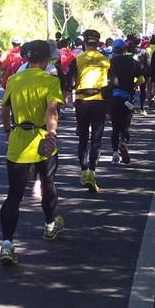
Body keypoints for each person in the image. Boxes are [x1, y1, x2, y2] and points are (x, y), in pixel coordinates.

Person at [0, 40, 64, 265]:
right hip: (42, 139)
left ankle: (7, 244)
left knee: (14, 195)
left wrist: (7, 130)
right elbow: (52, 110)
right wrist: (52, 133)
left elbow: (5, 108)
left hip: (18, 140)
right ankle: (49, 225)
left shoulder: (14, 80)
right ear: (46, 60)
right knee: (47, 184)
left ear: (27, 58)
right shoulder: (50, 81)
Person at [66, 29, 110, 192]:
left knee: (83, 138)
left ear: (84, 43)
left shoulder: (77, 59)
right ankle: (92, 172)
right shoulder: (105, 60)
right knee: (96, 139)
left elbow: (69, 81)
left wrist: (72, 87)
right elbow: (114, 82)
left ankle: (84, 172)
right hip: (99, 101)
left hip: (82, 102)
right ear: (98, 43)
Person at [108, 38, 143, 165]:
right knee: (125, 124)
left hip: (113, 98)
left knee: (115, 126)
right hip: (127, 98)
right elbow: (142, 79)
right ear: (125, 49)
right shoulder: (133, 62)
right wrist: (134, 86)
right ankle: (124, 142)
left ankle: (115, 153)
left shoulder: (109, 62)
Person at [134, 37, 151, 116]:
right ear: (140, 42)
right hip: (142, 73)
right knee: (143, 90)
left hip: (131, 73)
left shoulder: (129, 51)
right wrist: (149, 75)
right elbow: (148, 64)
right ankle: (142, 108)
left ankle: (131, 107)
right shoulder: (144, 51)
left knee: (131, 90)